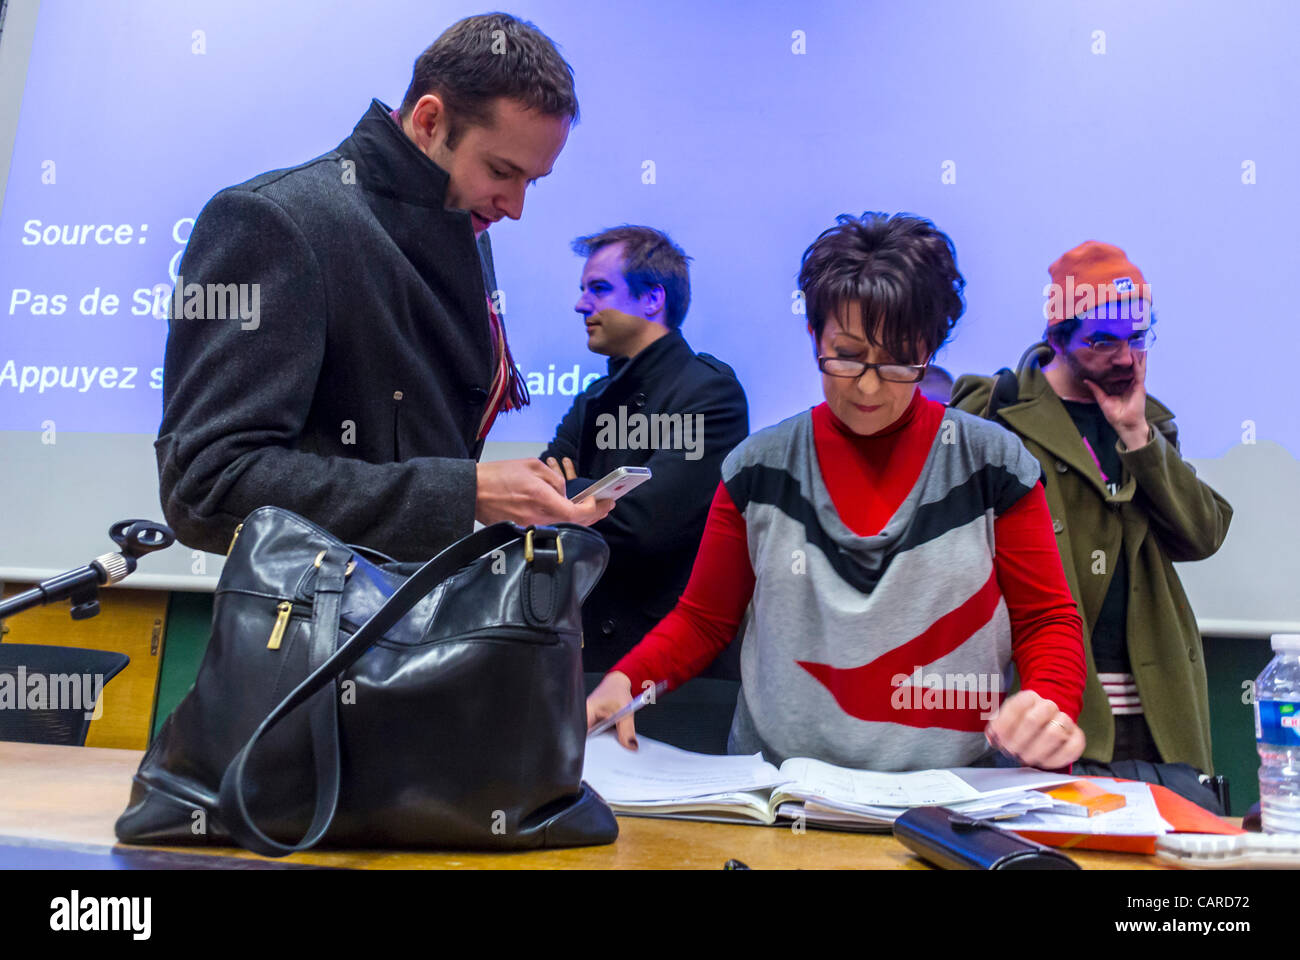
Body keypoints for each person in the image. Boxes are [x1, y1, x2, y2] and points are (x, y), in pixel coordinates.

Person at [587, 213, 1088, 771]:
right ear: (813, 335)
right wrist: (628, 680)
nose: (870, 385)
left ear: (931, 346)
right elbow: (704, 620)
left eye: (900, 360)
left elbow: (1047, 619)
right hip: (782, 792)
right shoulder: (758, 469)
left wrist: (1050, 703)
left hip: (950, 795)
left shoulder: (992, 464)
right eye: (846, 355)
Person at [156, 13, 611, 561]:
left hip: (417, 627)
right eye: (500, 171)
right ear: (428, 120)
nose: (515, 207)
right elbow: (208, 485)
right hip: (318, 641)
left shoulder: (461, 224)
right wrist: (466, 490)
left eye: (531, 182)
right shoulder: (277, 220)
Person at [951, 241, 1232, 780]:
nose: (1125, 358)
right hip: (1046, 705)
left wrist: (1136, 434)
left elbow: (1203, 535)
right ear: (1058, 339)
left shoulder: (1150, 422)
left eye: (1136, 339)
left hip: (1157, 709)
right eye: (1103, 341)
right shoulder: (995, 414)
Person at [540, 226, 749, 674]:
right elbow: (538, 493)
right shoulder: (593, 397)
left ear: (653, 299)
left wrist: (567, 488)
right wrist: (584, 495)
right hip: (583, 660)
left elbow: (646, 527)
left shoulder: (710, 392)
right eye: (583, 290)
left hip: (671, 672)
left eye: (598, 289)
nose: (581, 304)